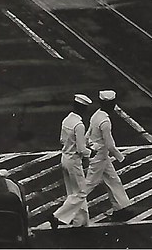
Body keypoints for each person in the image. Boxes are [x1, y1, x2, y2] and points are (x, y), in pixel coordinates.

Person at [81, 90, 132, 218]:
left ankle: (120, 208)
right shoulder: (105, 122)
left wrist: (87, 145)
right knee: (89, 184)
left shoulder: (96, 115)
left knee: (114, 180)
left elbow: (88, 133)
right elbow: (110, 145)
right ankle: (67, 212)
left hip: (99, 155)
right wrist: (122, 158)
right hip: (100, 157)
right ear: (113, 104)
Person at [50, 94, 92, 228]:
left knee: (73, 192)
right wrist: (91, 152)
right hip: (74, 161)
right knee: (81, 193)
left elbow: (62, 140)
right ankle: (57, 216)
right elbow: (81, 149)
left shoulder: (67, 120)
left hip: (65, 157)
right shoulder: (79, 125)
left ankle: (80, 221)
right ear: (84, 109)